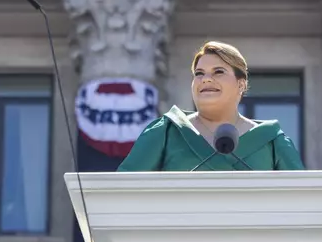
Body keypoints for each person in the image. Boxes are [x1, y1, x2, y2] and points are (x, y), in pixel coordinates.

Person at [117, 40, 305, 171]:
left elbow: (303, 201)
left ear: (241, 84)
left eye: (218, 72)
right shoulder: (166, 132)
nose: (206, 79)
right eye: (199, 73)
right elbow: (119, 195)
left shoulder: (272, 140)